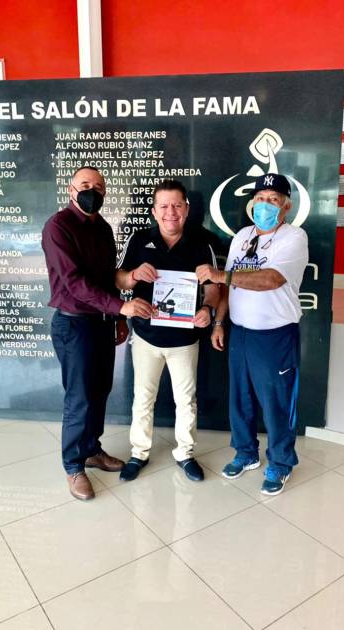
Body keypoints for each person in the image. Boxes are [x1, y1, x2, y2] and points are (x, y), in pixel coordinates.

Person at [42, 166, 153, 501]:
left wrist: (118, 312)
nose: (93, 191)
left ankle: (91, 449)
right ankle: (73, 466)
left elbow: (106, 278)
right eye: (85, 184)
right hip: (74, 324)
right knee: (79, 397)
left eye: (99, 186)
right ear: (71, 190)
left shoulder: (103, 227)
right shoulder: (58, 227)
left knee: (100, 390)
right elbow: (74, 283)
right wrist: (121, 307)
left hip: (102, 322)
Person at [196, 173, 308, 495]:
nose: (265, 205)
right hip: (240, 332)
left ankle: (281, 463)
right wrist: (219, 322)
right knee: (240, 398)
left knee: (276, 403)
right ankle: (246, 453)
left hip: (275, 335)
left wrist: (220, 274)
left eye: (273, 200)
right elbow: (228, 287)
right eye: (260, 199)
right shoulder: (242, 236)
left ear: (285, 207)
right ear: (251, 203)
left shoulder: (294, 237)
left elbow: (272, 279)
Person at [116, 179, 220, 482]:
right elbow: (118, 279)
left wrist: (207, 309)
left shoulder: (203, 242)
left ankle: (185, 453)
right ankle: (139, 453)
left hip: (185, 338)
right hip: (146, 336)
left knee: (186, 400)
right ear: (154, 211)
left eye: (176, 205)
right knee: (142, 398)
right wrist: (134, 275)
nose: (170, 212)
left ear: (186, 209)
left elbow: (213, 287)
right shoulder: (139, 240)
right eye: (163, 206)